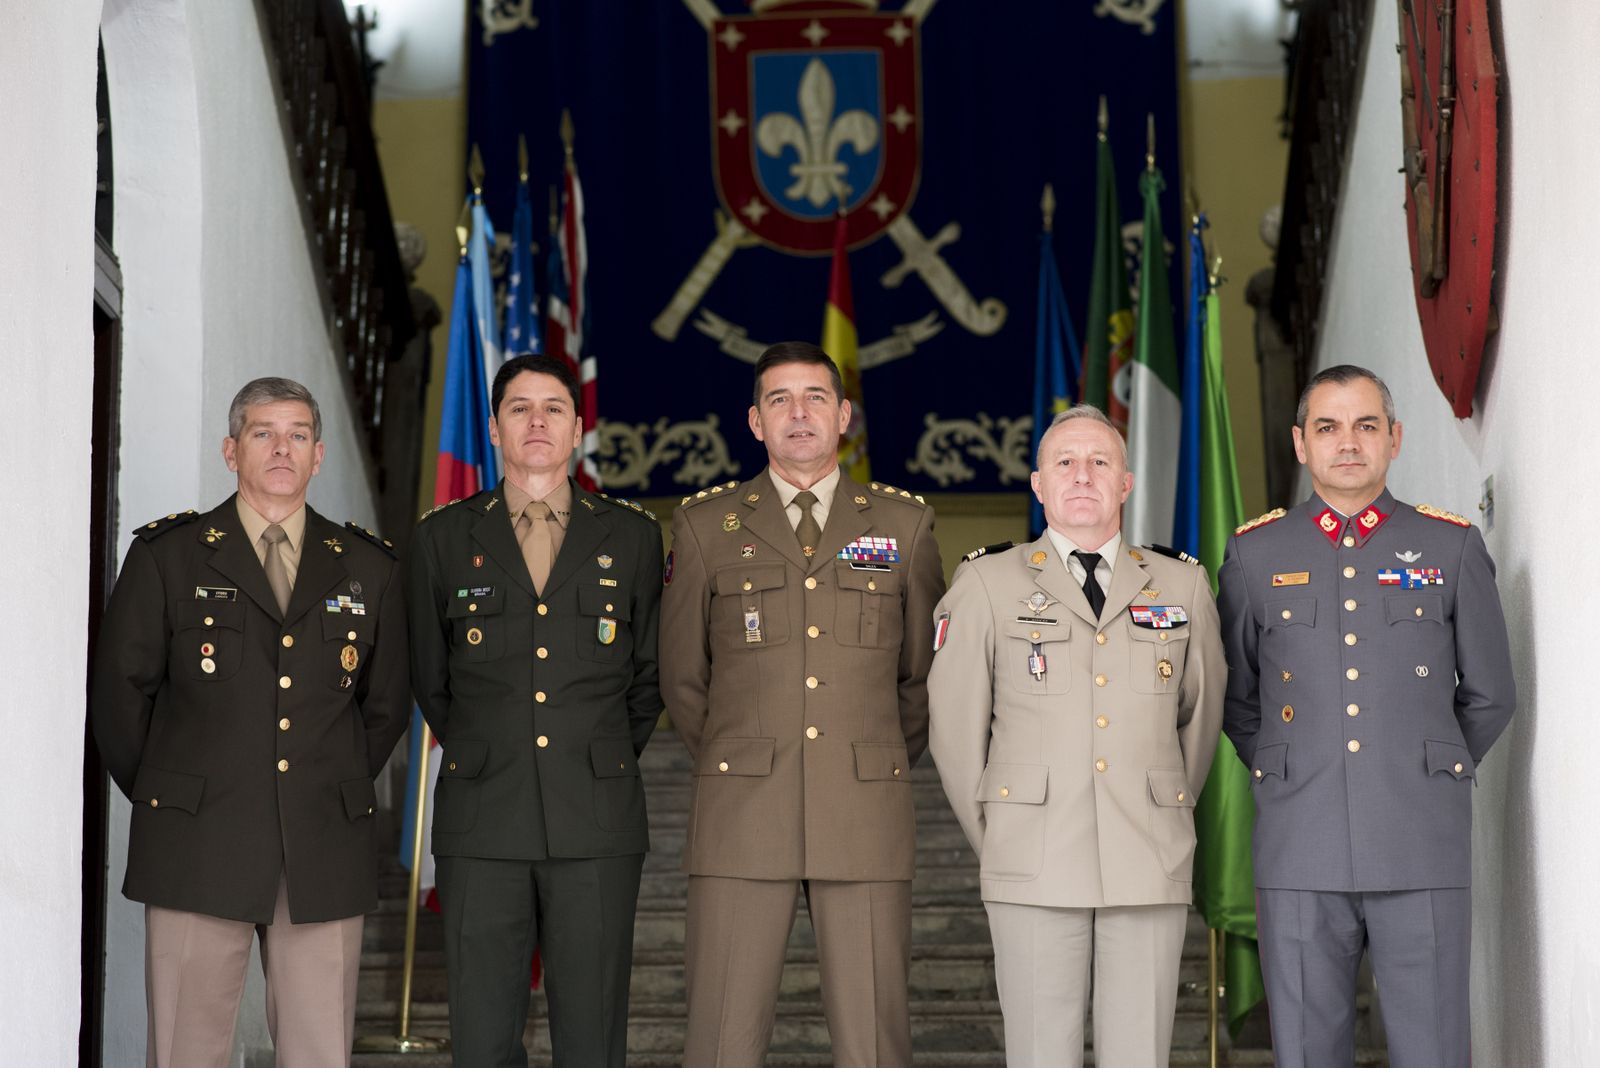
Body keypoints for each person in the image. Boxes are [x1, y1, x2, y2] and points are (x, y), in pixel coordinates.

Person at [90, 376, 410, 1067]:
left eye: (298, 434)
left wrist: (324, 786)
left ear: (319, 455)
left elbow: (382, 710)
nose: (281, 448)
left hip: (321, 850)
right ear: (231, 449)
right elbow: (120, 697)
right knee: (185, 1052)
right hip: (196, 845)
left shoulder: (368, 568)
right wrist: (174, 792)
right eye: (263, 432)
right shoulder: (167, 557)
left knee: (319, 1052)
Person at [1218, 364, 1516, 1068]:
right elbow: (1238, 698)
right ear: (1300, 444)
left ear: (1394, 438)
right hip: (1299, 842)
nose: (1346, 442)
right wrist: (1283, 769)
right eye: (1327, 426)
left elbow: (1491, 693)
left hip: (1420, 837)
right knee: (1307, 1051)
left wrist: (1428, 769)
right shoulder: (1254, 553)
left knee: (1434, 1048)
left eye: (1365, 425)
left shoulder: (1450, 548)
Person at [659, 341, 945, 1067]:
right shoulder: (702, 527)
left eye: (816, 397)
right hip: (742, 811)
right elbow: (683, 678)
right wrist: (740, 756)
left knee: (874, 1045)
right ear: (754, 421)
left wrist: (868, 756)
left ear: (845, 415)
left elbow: (923, 679)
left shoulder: (905, 527)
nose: (799, 413)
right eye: (779, 400)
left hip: (864, 812)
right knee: (722, 1039)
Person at [926, 404, 1225, 1067]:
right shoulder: (986, 582)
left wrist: (1161, 804)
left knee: (1140, 1055)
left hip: (1148, 857)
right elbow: (953, 734)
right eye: (1065, 462)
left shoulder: (1181, 583)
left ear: (1127, 482)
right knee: (1039, 1053)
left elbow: (1200, 723)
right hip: (1031, 855)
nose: (1082, 475)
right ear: (1038, 484)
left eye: (1100, 462)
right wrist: (1002, 831)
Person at [406, 352, 663, 1066]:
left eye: (554, 408)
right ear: (493, 429)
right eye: (520, 409)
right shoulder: (441, 539)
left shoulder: (634, 536)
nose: (538, 422)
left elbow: (649, 678)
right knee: (483, 1040)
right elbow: (432, 677)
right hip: (484, 817)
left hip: (598, 821)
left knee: (592, 1037)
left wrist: (594, 754)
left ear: (578, 428)